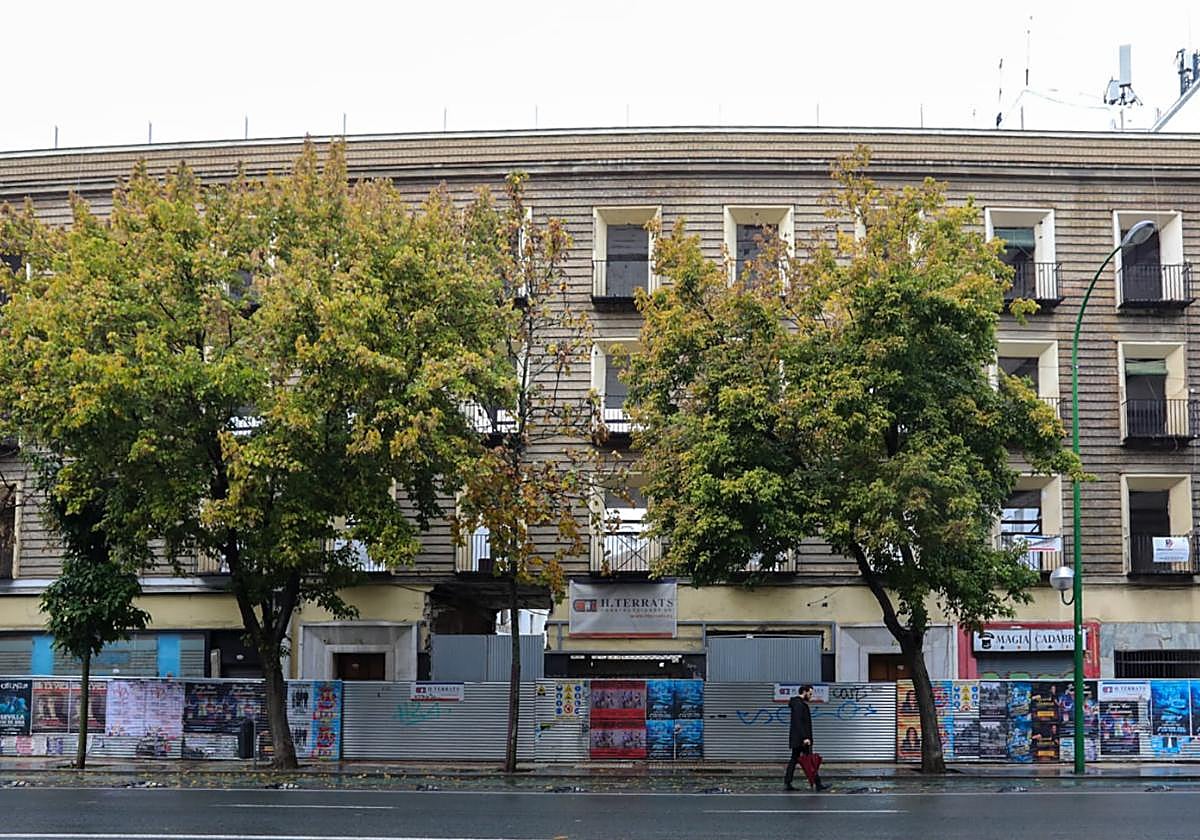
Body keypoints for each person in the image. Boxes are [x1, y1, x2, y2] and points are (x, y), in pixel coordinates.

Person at [784, 685, 829, 792]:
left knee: (795, 760)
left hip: (798, 738)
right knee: (810, 761)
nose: (811, 696)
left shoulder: (798, 704)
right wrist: (805, 737)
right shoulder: (799, 705)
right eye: (810, 693)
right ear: (804, 692)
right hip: (802, 739)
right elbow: (799, 722)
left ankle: (788, 782)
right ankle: (818, 784)